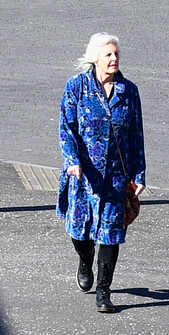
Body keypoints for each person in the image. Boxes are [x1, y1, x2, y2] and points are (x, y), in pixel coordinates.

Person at [57, 34, 146, 314]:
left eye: (116, 54)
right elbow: (66, 128)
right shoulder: (77, 87)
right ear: (95, 57)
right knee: (81, 232)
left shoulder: (128, 91)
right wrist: (72, 160)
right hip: (84, 175)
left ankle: (104, 292)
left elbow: (136, 134)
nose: (114, 59)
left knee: (110, 234)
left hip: (116, 177)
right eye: (108, 54)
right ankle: (85, 260)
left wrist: (139, 173)